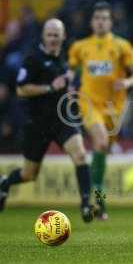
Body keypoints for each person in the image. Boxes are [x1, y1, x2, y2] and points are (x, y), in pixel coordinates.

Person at [0, 19, 95, 222]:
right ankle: (5, 182)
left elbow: (71, 82)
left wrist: (71, 90)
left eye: (56, 34)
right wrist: (50, 88)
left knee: (80, 155)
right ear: (44, 36)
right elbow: (21, 88)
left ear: (63, 36)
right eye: (50, 34)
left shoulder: (67, 58)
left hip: (63, 119)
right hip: (38, 123)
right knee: (29, 174)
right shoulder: (33, 59)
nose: (53, 38)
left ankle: (86, 203)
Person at [68, 1, 133, 220]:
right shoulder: (80, 47)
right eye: (97, 18)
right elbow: (69, 71)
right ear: (92, 22)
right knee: (101, 142)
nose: (100, 22)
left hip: (114, 109)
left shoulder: (122, 46)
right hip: (88, 103)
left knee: (103, 150)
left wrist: (127, 83)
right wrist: (69, 84)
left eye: (104, 18)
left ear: (110, 22)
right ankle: (98, 199)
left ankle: (97, 196)